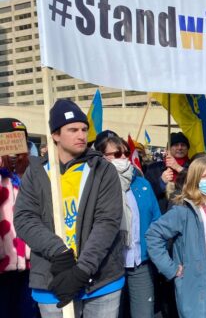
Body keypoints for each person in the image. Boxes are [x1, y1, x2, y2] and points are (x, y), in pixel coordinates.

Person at [14, 99, 124, 318]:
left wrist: (82, 270)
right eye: (72, 130)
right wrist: (59, 252)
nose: (81, 135)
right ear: (55, 135)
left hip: (100, 281)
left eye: (84, 129)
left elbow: (107, 222)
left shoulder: (103, 170)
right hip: (53, 280)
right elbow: (25, 219)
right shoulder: (35, 172)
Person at [146, 157, 206, 318]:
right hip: (198, 281)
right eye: (204, 176)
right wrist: (170, 268)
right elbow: (153, 235)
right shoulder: (184, 210)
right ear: (194, 180)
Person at [97, 135, 161, 318]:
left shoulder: (142, 183)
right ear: (102, 157)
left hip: (140, 263)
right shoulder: (97, 185)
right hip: (109, 266)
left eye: (126, 153)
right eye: (117, 154)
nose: (124, 158)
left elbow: (157, 219)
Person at [0, 118, 39, 318]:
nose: (16, 145)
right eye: (11, 139)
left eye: (21, 139)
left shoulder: (33, 171)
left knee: (27, 312)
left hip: (29, 263)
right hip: (2, 264)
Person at [145, 131, 190, 214]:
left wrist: (179, 168)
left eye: (183, 145)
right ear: (168, 149)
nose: (179, 148)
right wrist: (161, 182)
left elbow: (197, 183)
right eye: (175, 145)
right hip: (161, 215)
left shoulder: (193, 166)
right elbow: (147, 194)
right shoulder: (154, 168)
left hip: (186, 214)